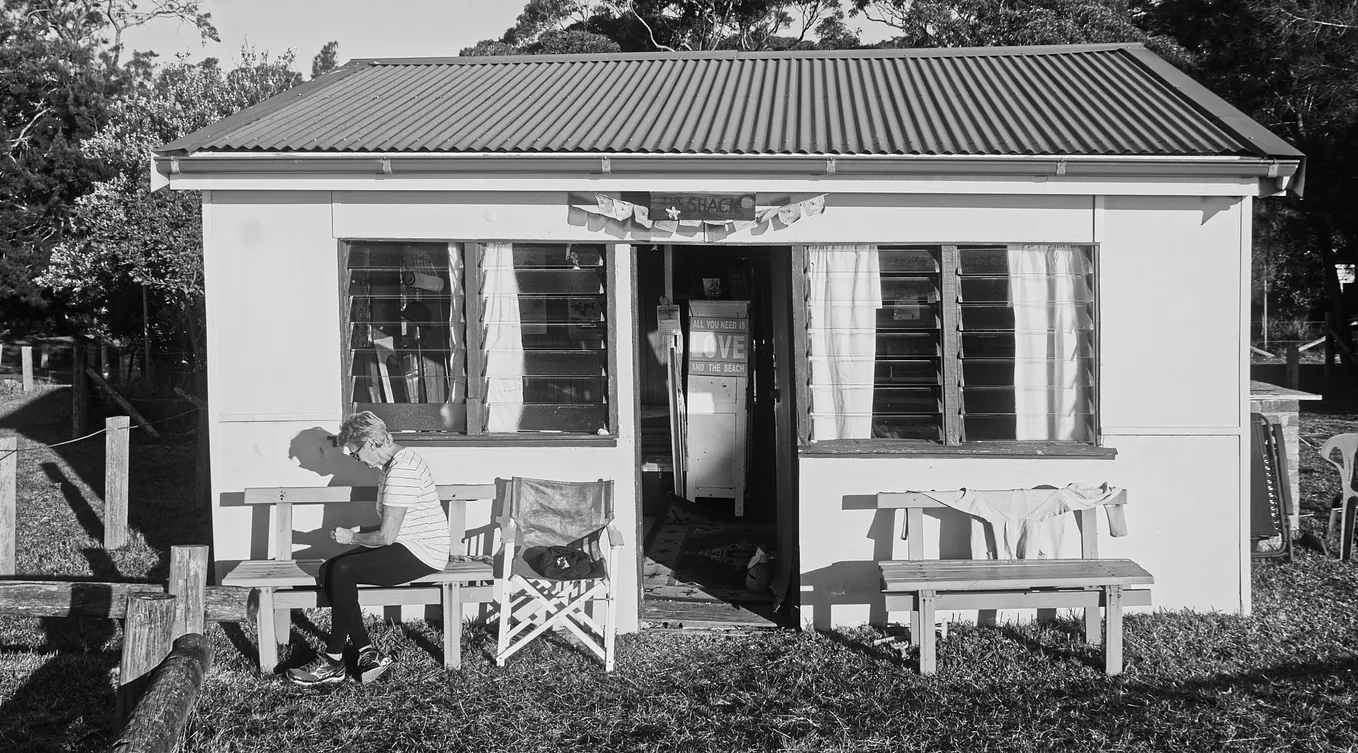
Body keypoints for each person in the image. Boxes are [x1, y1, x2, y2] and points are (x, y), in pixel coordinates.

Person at [287, 411, 449, 686]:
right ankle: (366, 652)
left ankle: (333, 661)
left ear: (372, 443)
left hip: (423, 552)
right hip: (406, 543)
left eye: (355, 453)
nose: (357, 459)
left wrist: (351, 538)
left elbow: (386, 537)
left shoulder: (401, 471)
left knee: (344, 570)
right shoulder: (394, 465)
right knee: (329, 568)